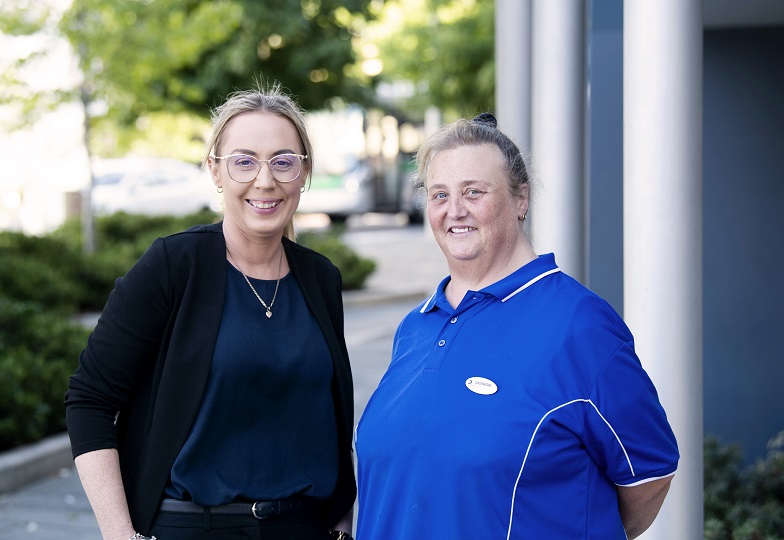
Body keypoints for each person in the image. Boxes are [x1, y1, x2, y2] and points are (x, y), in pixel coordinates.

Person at [355, 113, 679, 539]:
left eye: (474, 192)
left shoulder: (581, 326)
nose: (455, 210)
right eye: (439, 195)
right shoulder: (415, 327)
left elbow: (648, 475)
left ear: (520, 198)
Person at [66, 84, 356, 540]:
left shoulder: (321, 279)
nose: (265, 180)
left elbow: (330, 422)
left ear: (304, 173)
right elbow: (90, 401)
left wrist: (341, 525)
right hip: (191, 527)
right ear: (215, 171)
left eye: (283, 161)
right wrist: (120, 535)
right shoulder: (173, 266)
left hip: (304, 529)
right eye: (244, 161)